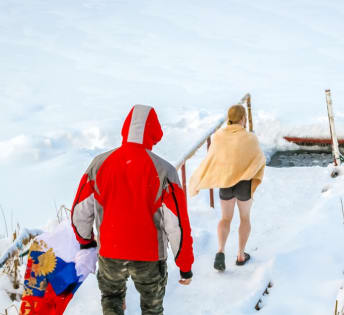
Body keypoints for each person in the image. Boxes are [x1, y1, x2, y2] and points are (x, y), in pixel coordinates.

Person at [71, 105, 194, 315]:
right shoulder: (165, 171)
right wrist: (184, 264)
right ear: (154, 133)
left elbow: (80, 212)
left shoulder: (98, 164)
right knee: (152, 308)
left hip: (110, 253)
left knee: (111, 300)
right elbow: (176, 224)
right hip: (150, 257)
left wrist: (86, 241)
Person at [189, 104, 265, 271]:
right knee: (245, 218)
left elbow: (212, 158)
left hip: (226, 183)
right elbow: (259, 159)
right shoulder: (250, 137)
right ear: (243, 118)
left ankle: (221, 251)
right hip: (244, 183)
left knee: (225, 219)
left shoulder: (218, 136)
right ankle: (240, 255)